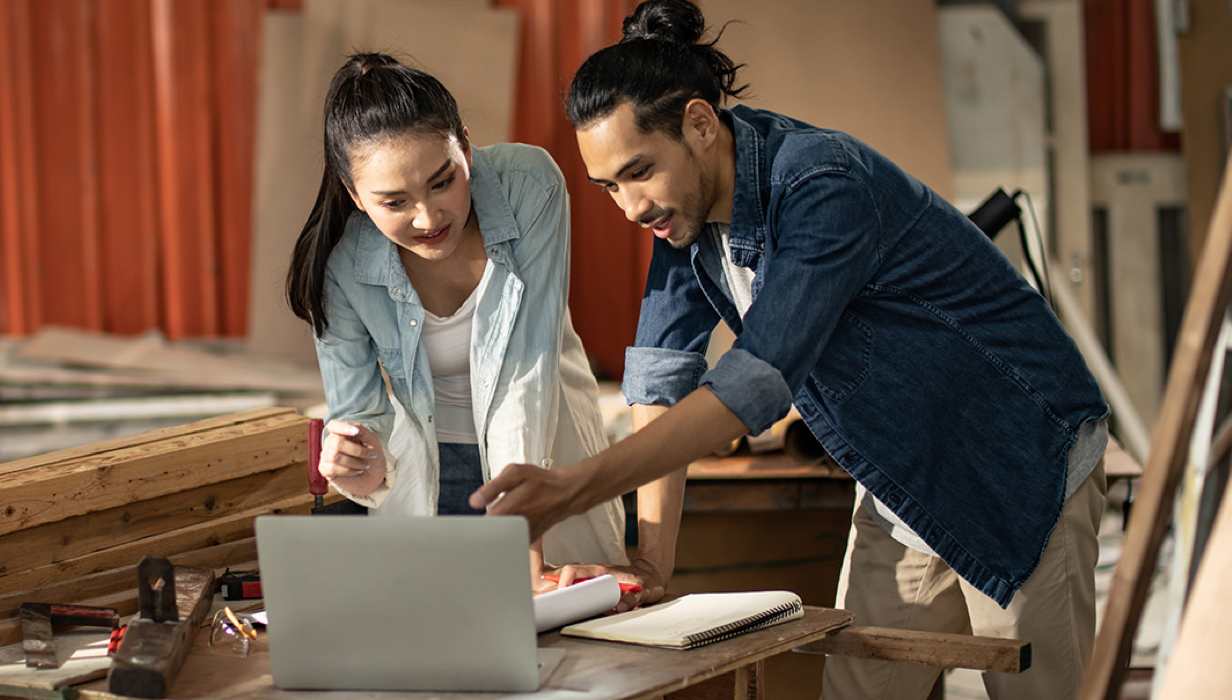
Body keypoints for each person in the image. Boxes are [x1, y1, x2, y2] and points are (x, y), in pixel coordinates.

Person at [470, 1, 1110, 698]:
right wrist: (651, 565)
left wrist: (574, 488)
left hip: (1015, 462)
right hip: (905, 481)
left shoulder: (821, 184)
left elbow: (756, 383)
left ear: (700, 124)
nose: (630, 207)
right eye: (610, 187)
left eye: (639, 171)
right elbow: (660, 379)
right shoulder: (682, 214)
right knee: (858, 691)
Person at [286, 52, 627, 586]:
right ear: (355, 196)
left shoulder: (528, 186)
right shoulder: (341, 264)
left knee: (568, 622)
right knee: (431, 624)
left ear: (465, 147)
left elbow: (525, 374)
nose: (428, 217)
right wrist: (359, 463)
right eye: (394, 202)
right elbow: (360, 415)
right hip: (426, 474)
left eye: (443, 182)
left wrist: (523, 545)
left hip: (541, 457)